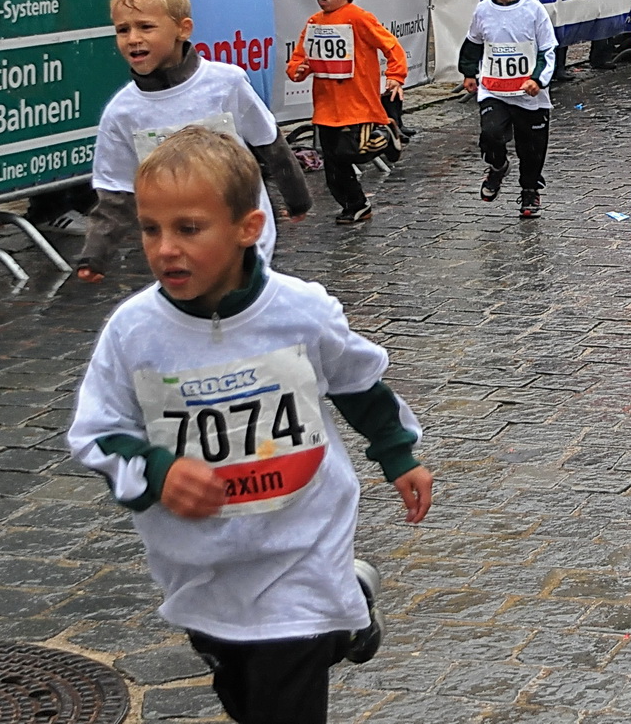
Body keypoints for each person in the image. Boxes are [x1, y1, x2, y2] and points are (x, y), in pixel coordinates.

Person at [66, 125, 431, 724]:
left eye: (189, 229)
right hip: (202, 563)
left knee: (281, 698)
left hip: (300, 547)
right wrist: (157, 471)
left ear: (247, 228)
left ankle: (331, 609)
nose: (165, 249)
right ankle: (351, 611)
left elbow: (357, 380)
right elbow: (97, 431)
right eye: (151, 229)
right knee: (240, 691)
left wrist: (399, 453)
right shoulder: (133, 332)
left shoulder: (300, 312)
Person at [76, 0, 310, 282]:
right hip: (177, 246)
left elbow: (269, 142)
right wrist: (95, 255)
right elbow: (116, 192)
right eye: (123, 29)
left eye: (145, 26)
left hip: (242, 235)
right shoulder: (122, 112)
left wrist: (297, 198)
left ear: (183, 29)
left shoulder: (226, 82)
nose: (133, 38)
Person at [284, 0, 407, 224]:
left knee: (351, 151)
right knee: (334, 166)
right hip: (327, 107)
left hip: (358, 103)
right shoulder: (314, 22)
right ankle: (356, 205)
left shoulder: (358, 18)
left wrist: (395, 75)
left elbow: (391, 46)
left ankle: (387, 132)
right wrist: (299, 70)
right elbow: (297, 61)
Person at [459, 0, 557, 217]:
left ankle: (529, 191)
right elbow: (473, 43)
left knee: (532, 149)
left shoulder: (534, 11)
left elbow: (548, 50)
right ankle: (498, 165)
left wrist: (538, 79)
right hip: (495, 91)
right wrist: (468, 72)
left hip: (530, 96)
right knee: (490, 134)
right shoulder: (483, 10)